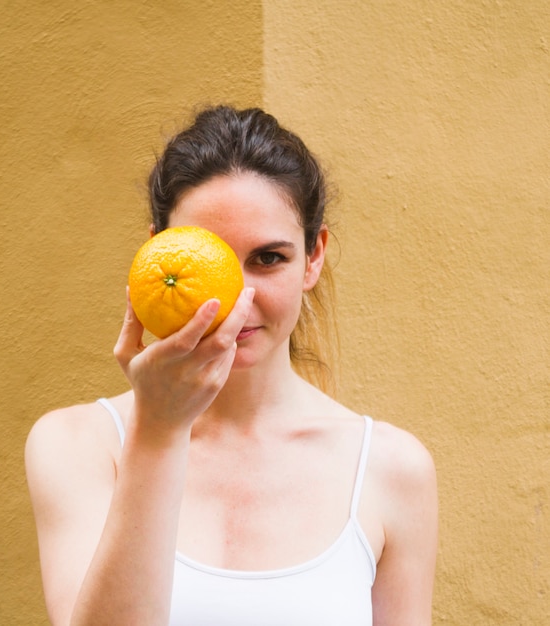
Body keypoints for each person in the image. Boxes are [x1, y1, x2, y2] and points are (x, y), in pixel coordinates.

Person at [25, 105, 438, 626]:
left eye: (268, 258)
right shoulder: (77, 444)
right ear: (158, 251)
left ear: (314, 257)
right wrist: (158, 431)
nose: (237, 299)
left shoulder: (391, 469)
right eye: (210, 256)